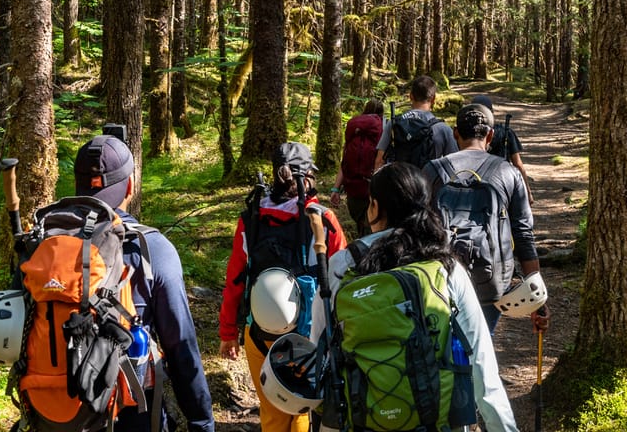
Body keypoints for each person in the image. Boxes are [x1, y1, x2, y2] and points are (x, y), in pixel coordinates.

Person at [312, 162, 518, 431]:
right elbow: (481, 362)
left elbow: (320, 351)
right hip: (437, 420)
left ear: (375, 207)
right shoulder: (445, 266)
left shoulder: (341, 266)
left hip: (360, 419)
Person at [73, 134, 216, 432]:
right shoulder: (151, 248)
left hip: (57, 412)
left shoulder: (49, 243)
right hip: (129, 414)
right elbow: (181, 347)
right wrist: (201, 421)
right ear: (129, 185)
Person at [218, 142, 347, 432]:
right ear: (308, 177)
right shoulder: (324, 220)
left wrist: (228, 332)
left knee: (273, 410)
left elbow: (236, 278)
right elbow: (344, 278)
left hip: (258, 332)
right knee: (301, 406)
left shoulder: (251, 217)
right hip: (309, 334)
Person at [423, 103, 550, 335]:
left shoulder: (432, 170)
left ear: (455, 133)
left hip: (439, 277)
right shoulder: (508, 172)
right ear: (490, 135)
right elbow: (523, 236)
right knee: (481, 342)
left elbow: (417, 228)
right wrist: (537, 301)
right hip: (491, 281)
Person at [373, 75, 457, 171]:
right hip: (430, 184)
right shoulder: (443, 129)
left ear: (411, 96)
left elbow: (379, 161)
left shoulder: (394, 123)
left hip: (400, 182)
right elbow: (454, 165)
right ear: (433, 99)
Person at [330, 99, 384, 236]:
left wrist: (336, 188)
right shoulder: (381, 129)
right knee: (373, 229)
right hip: (372, 189)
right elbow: (380, 160)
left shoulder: (353, 130)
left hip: (352, 188)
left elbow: (344, 162)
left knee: (361, 224)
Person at [472, 94, 534, 205]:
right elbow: (518, 164)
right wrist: (527, 192)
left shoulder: (467, 134)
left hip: (475, 185)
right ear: (491, 113)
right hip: (502, 182)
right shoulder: (505, 132)